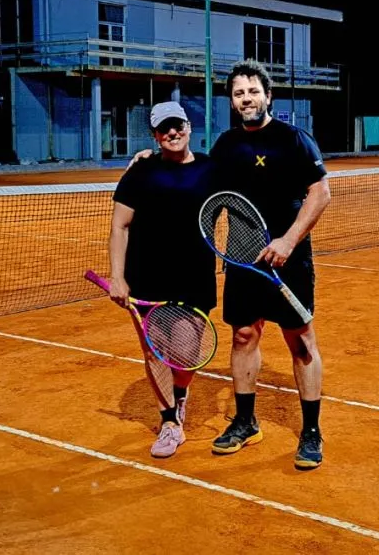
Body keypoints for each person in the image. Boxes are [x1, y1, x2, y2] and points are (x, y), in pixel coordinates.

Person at [128, 60, 332, 469]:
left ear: (267, 96)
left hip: (288, 260)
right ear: (232, 102)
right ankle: (245, 420)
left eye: (253, 92)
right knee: (243, 335)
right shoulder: (225, 145)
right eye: (239, 94)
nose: (246, 99)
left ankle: (311, 431)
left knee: (300, 340)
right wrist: (153, 157)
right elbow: (196, 172)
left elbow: (320, 193)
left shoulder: (295, 140)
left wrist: (289, 240)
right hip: (241, 258)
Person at [108, 101, 219, 459]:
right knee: (155, 351)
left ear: (189, 127)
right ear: (155, 135)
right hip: (146, 276)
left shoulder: (211, 169)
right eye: (164, 129)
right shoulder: (140, 172)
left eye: (178, 126)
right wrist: (117, 277)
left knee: (185, 355)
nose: (172, 133)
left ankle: (180, 396)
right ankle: (169, 421)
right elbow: (120, 226)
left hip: (193, 276)